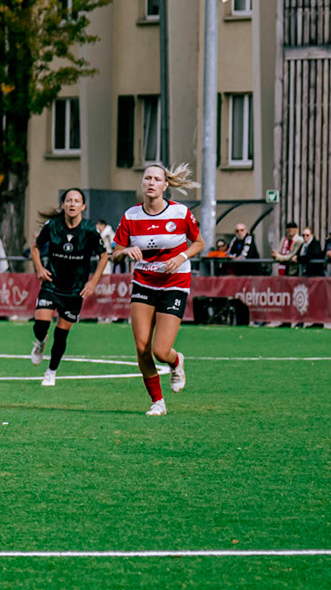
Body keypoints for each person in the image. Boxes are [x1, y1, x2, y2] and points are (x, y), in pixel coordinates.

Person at [111, 163, 204, 416]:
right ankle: (157, 401)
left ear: (165, 185)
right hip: (143, 283)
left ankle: (176, 361)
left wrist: (182, 256)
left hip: (174, 283)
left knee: (160, 350)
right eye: (147, 178)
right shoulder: (131, 216)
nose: (151, 183)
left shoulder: (180, 213)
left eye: (156, 179)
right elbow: (115, 254)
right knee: (142, 348)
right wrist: (125, 251)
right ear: (142, 184)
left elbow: (199, 243)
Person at [28, 188, 110, 387]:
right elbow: (35, 247)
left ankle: (51, 372)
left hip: (74, 290)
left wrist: (92, 282)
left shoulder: (90, 230)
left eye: (76, 201)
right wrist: (39, 268)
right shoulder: (53, 226)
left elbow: (104, 255)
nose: (72, 204)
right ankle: (40, 341)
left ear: (83, 206)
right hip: (51, 283)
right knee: (41, 325)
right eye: (68, 200)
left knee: (62, 333)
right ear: (63, 205)